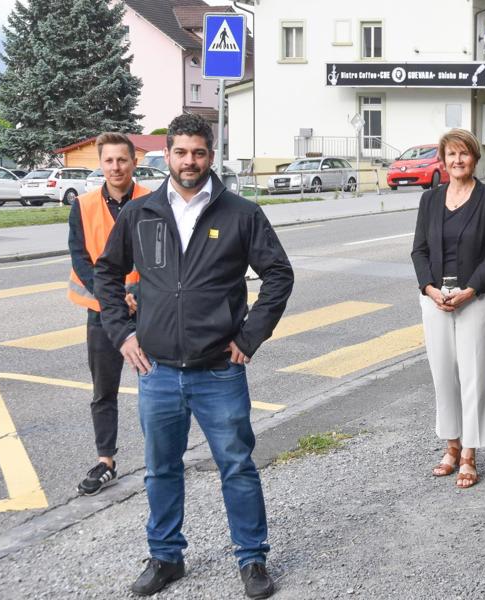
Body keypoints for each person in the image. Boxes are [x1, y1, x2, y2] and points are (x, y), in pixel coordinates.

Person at [94, 113, 293, 598]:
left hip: (219, 371)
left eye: (199, 153)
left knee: (237, 466)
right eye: (181, 152)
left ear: (211, 154)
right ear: (167, 155)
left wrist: (248, 338)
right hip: (157, 370)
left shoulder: (241, 213)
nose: (190, 161)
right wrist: (122, 333)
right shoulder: (139, 215)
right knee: (161, 469)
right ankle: (165, 557)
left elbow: (279, 276)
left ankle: (252, 559)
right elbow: (106, 274)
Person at [411, 128, 485, 489]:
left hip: (476, 298)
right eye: (451, 154)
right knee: (443, 376)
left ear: (474, 158)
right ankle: (450, 446)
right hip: (436, 298)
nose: (457, 160)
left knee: (474, 375)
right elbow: (418, 250)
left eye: (463, 154)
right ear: (443, 159)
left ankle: (469, 453)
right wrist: (430, 289)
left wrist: (469, 290)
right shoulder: (429, 201)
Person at [67, 132, 151, 496]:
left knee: (158, 386)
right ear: (100, 164)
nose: (116, 167)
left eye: (122, 160)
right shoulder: (82, 206)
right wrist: (117, 297)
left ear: (135, 162)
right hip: (102, 312)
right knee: (104, 390)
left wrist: (138, 293)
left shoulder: (154, 200)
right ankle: (106, 461)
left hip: (150, 310)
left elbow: (167, 256)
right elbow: (82, 261)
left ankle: (162, 457)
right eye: (109, 161)